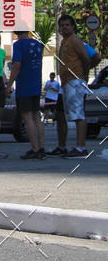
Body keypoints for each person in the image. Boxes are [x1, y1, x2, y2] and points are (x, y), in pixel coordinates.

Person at [56, 14, 92, 157]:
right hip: (67, 81)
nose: (64, 27)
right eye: (62, 25)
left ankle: (81, 147)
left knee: (78, 115)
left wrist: (83, 76)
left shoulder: (75, 40)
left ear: (73, 27)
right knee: (72, 114)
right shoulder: (65, 41)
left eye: (67, 25)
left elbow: (86, 59)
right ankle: (75, 146)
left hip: (75, 80)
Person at [6, 30, 44, 159]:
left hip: (24, 85)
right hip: (36, 84)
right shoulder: (38, 44)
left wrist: (9, 84)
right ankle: (41, 147)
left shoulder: (18, 45)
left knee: (27, 118)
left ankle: (35, 148)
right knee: (36, 116)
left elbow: (16, 65)